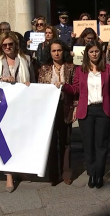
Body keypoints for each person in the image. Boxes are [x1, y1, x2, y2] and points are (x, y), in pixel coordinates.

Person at [58, 40, 110, 189]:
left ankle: (99, 174)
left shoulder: (108, 69)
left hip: (103, 110)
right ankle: (91, 174)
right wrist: (65, 86)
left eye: (97, 51)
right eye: (91, 52)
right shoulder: (81, 70)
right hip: (87, 111)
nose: (94, 54)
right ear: (87, 54)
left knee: (101, 145)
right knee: (89, 145)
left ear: (100, 52)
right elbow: (76, 89)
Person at [0, 32, 35, 192]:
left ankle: (21, 169)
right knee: (6, 141)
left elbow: (34, 81)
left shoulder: (26, 59)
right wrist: (3, 80)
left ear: (15, 44)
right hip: (3, 106)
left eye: (10, 44)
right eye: (5, 45)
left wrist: (28, 84)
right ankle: (9, 174)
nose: (8, 47)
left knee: (20, 138)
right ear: (1, 46)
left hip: (21, 105)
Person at [38, 39, 76, 186]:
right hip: (50, 110)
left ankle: (66, 173)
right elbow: (41, 90)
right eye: (53, 51)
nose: (56, 53)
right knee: (52, 142)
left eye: (59, 50)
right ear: (50, 52)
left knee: (66, 142)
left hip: (66, 107)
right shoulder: (44, 68)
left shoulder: (71, 67)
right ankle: (53, 174)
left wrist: (75, 108)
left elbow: (75, 90)